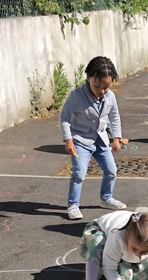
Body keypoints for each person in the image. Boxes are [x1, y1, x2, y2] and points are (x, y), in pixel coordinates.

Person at [60, 56, 125, 221]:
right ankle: (73, 205)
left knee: (111, 171)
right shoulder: (76, 96)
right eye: (98, 85)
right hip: (80, 141)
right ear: (88, 77)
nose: (102, 90)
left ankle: (106, 198)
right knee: (79, 173)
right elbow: (65, 118)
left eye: (106, 86)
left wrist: (116, 137)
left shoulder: (110, 96)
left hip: (101, 139)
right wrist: (68, 140)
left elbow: (114, 116)